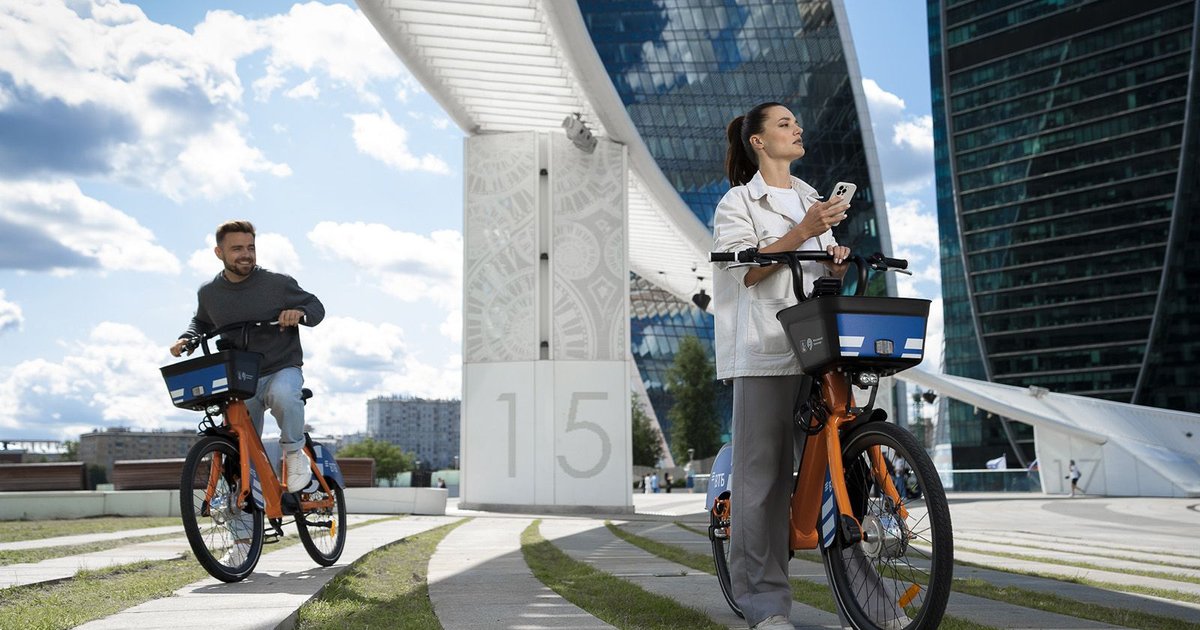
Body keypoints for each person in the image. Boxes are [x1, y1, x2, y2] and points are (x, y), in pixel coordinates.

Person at [712, 102, 853, 630]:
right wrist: (802, 233)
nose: (798, 129)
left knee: (845, 476)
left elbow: (810, 270)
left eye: (797, 122)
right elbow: (743, 270)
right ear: (758, 142)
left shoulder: (813, 198)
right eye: (785, 124)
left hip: (818, 348)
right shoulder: (738, 202)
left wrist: (833, 256)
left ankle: (867, 601)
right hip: (767, 350)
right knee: (763, 481)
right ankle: (764, 606)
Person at [171, 221, 325, 493]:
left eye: (251, 247)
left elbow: (315, 307)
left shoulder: (278, 283)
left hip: (281, 365)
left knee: (283, 395)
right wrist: (187, 338)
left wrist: (299, 314)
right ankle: (244, 531)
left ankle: (294, 454)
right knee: (239, 452)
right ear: (219, 252)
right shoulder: (209, 293)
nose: (246, 254)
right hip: (240, 377)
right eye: (237, 248)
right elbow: (201, 322)